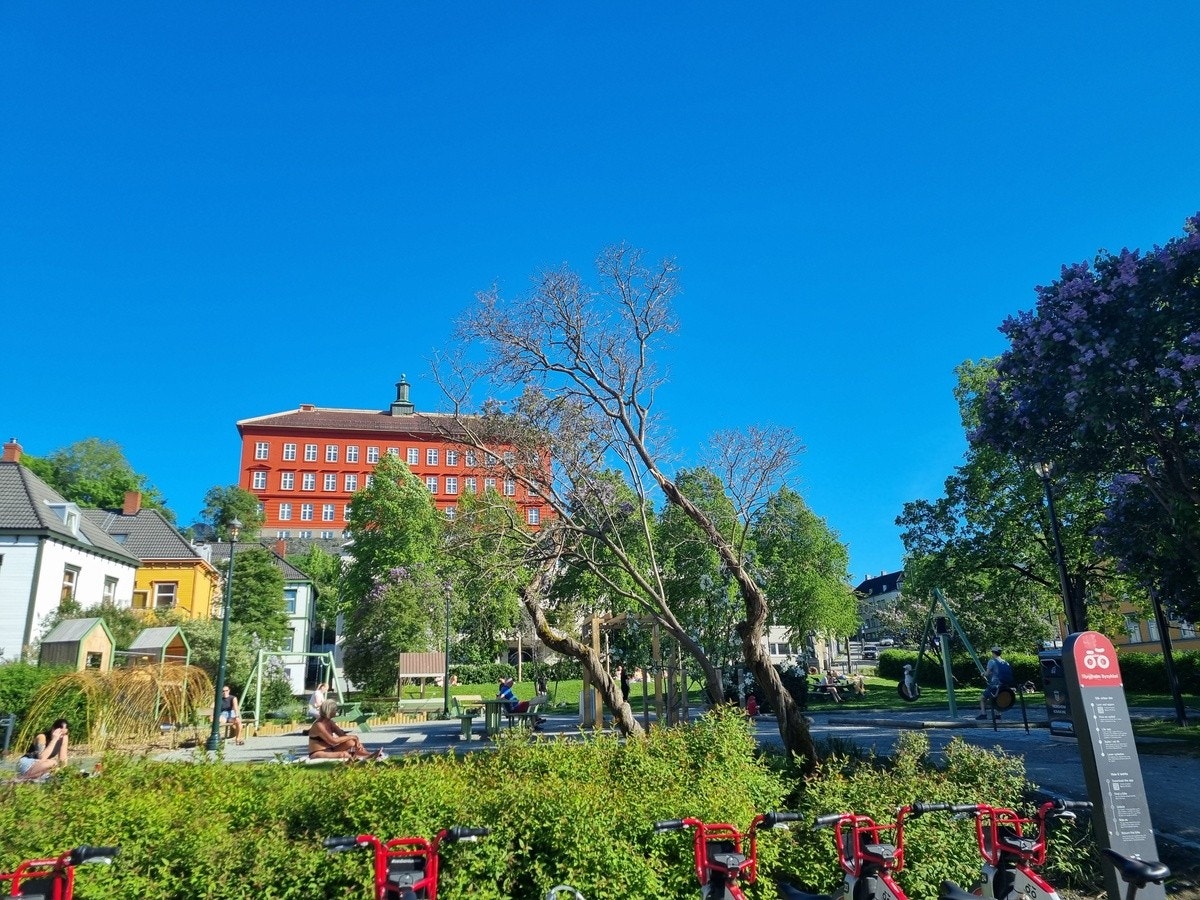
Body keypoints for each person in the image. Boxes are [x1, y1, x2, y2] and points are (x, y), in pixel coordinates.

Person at [308, 700, 383, 761]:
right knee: (343, 754)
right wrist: (353, 737)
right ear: (329, 711)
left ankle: (368, 754)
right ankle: (367, 757)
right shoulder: (319, 725)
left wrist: (356, 742)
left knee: (351, 742)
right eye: (335, 710)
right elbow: (333, 741)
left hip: (331, 749)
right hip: (318, 752)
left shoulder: (330, 722)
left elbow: (342, 736)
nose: (337, 712)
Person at [978, 646, 1015, 719]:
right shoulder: (1005, 662)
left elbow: (987, 674)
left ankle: (983, 714)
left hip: (994, 684)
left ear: (993, 653)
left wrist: (983, 674)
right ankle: (998, 715)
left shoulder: (992, 661)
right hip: (1004, 684)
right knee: (998, 698)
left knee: (982, 698)